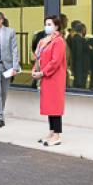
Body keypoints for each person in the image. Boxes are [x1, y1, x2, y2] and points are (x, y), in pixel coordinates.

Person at [32, 15, 67, 146]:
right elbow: (38, 58)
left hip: (54, 78)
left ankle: (57, 135)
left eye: (49, 24)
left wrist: (42, 72)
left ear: (56, 26)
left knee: (55, 106)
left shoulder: (59, 41)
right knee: (49, 105)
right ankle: (51, 132)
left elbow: (55, 62)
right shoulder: (44, 41)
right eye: (46, 24)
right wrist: (35, 70)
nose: (47, 26)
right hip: (45, 77)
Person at [0, 11, 19, 128]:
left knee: (3, 92)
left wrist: (15, 67)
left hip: (7, 66)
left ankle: (0, 112)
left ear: (1, 20)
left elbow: (14, 50)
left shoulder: (10, 32)